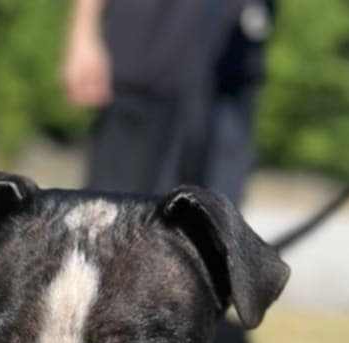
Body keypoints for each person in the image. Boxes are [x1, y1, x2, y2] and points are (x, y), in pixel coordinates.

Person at [63, 0, 275, 205]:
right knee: (115, 204)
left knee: (214, 213)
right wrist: (83, 35)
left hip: (229, 75)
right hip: (146, 58)